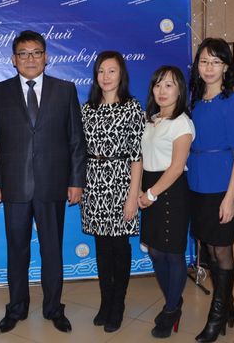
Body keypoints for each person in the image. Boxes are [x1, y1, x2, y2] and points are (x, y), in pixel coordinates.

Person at [0, 30, 86, 334]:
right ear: (13, 59)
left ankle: (54, 308)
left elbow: (76, 140)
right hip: (13, 186)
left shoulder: (65, 90)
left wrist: (76, 180)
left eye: (36, 52)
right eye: (23, 54)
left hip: (53, 184)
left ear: (46, 57)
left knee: (52, 249)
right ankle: (17, 308)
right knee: (17, 250)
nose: (30, 59)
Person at [188, 38, 234, 342]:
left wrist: (230, 197)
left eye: (215, 62)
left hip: (221, 185)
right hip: (196, 184)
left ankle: (217, 316)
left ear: (226, 67)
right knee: (208, 247)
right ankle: (229, 306)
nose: (209, 68)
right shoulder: (195, 102)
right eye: (204, 61)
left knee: (221, 248)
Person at [79, 51, 145, 333]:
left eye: (112, 71)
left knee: (119, 246)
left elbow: (137, 156)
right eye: (101, 71)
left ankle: (118, 304)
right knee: (102, 248)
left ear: (121, 75)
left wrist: (133, 196)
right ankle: (105, 302)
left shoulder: (132, 107)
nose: (105, 77)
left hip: (121, 183)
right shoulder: (87, 109)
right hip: (93, 183)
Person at [138, 66, 194, 338]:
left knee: (172, 253)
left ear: (179, 90)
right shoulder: (150, 120)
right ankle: (174, 300)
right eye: (158, 85)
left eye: (169, 85)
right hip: (151, 187)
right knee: (155, 251)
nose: (162, 90)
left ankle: (171, 309)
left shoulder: (182, 123)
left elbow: (176, 167)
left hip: (171, 191)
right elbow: (142, 159)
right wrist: (142, 190)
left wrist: (151, 194)